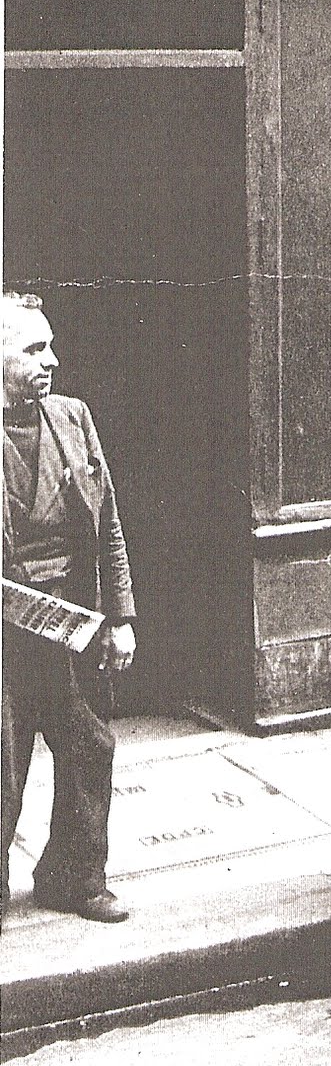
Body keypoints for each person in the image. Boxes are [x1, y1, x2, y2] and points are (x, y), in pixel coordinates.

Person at [2, 293, 137, 925]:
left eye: (50, 345)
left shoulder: (73, 418)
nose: (50, 359)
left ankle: (75, 877)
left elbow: (108, 524)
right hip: (4, 636)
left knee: (89, 746)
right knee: (3, 761)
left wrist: (122, 617)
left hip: (70, 624)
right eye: (33, 349)